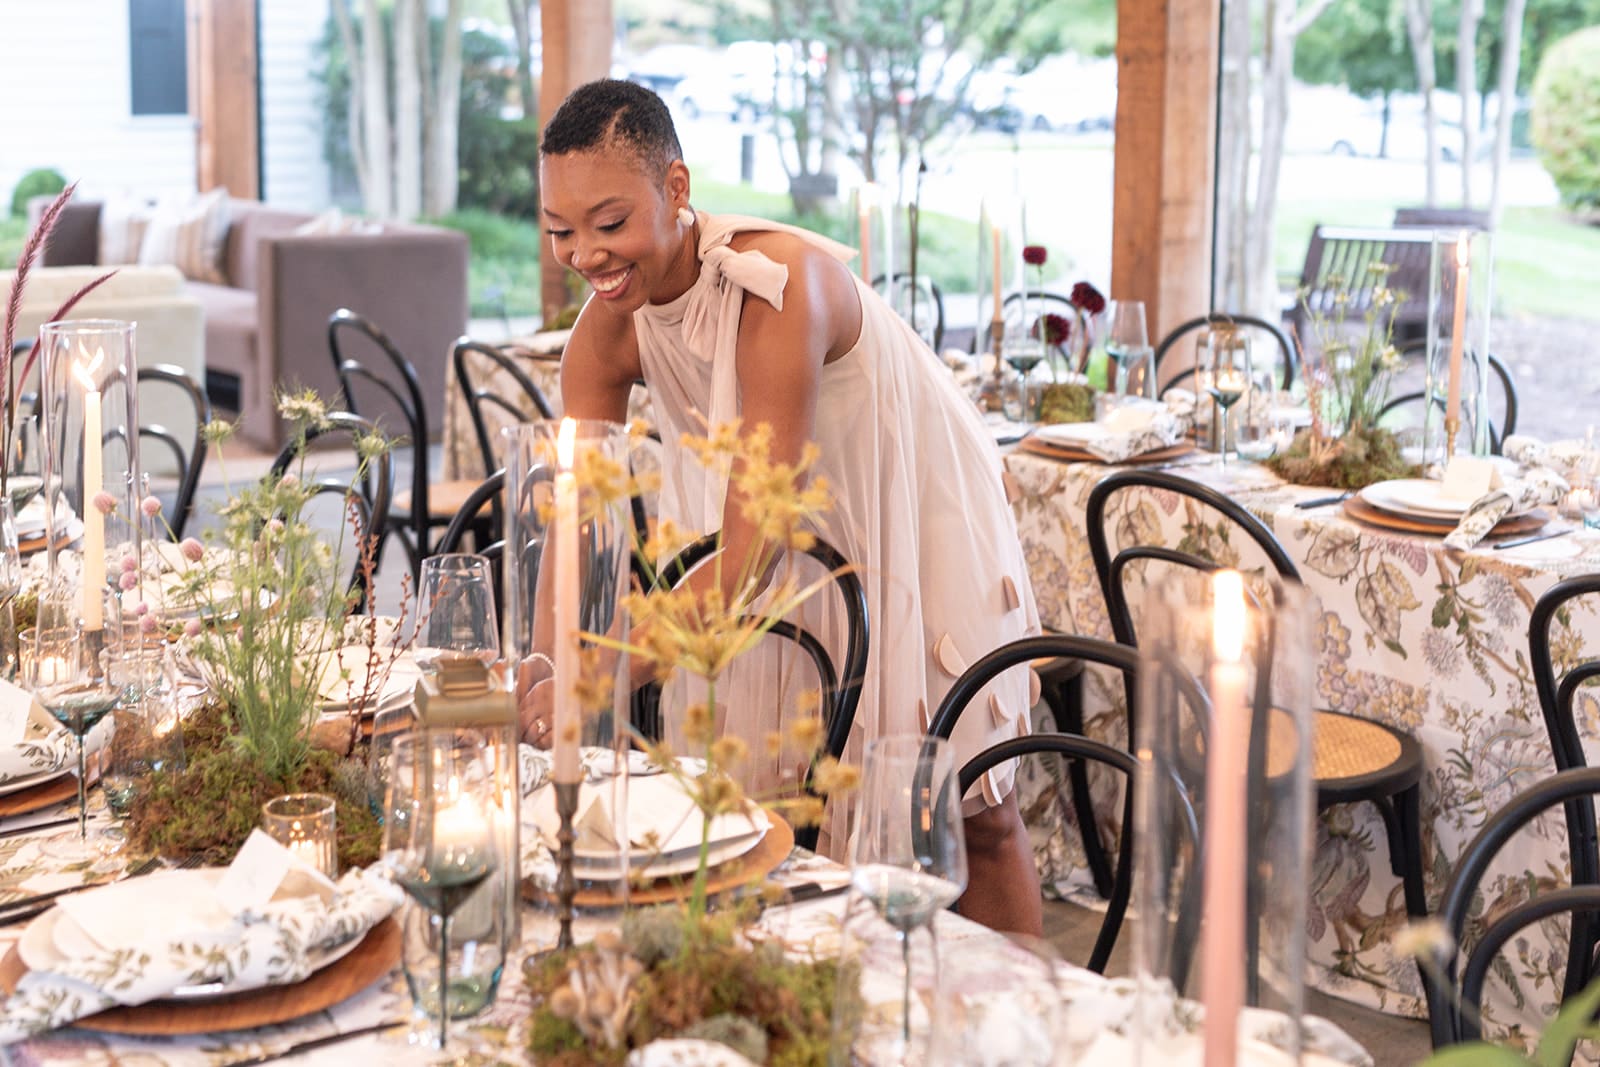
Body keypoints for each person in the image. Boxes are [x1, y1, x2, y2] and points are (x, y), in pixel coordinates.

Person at [528, 78, 1043, 936]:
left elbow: (747, 557)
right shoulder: (604, 334)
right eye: (559, 231)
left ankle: (1025, 1004)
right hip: (793, 542)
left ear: (676, 188)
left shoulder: (779, 288)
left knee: (965, 804)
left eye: (609, 223)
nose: (585, 254)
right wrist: (547, 665)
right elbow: (577, 517)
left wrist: (606, 672)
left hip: (914, 514)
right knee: (794, 806)